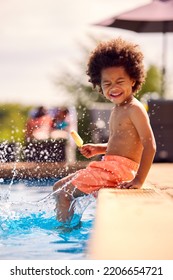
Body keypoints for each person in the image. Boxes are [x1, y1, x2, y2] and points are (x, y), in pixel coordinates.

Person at [53, 37, 156, 224]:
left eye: (120, 81)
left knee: (63, 193)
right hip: (110, 166)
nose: (113, 88)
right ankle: (71, 223)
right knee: (58, 187)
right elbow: (122, 143)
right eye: (107, 84)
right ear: (99, 84)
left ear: (133, 80)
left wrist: (139, 180)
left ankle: (65, 232)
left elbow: (149, 145)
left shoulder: (135, 108)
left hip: (119, 170)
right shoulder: (119, 108)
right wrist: (98, 149)